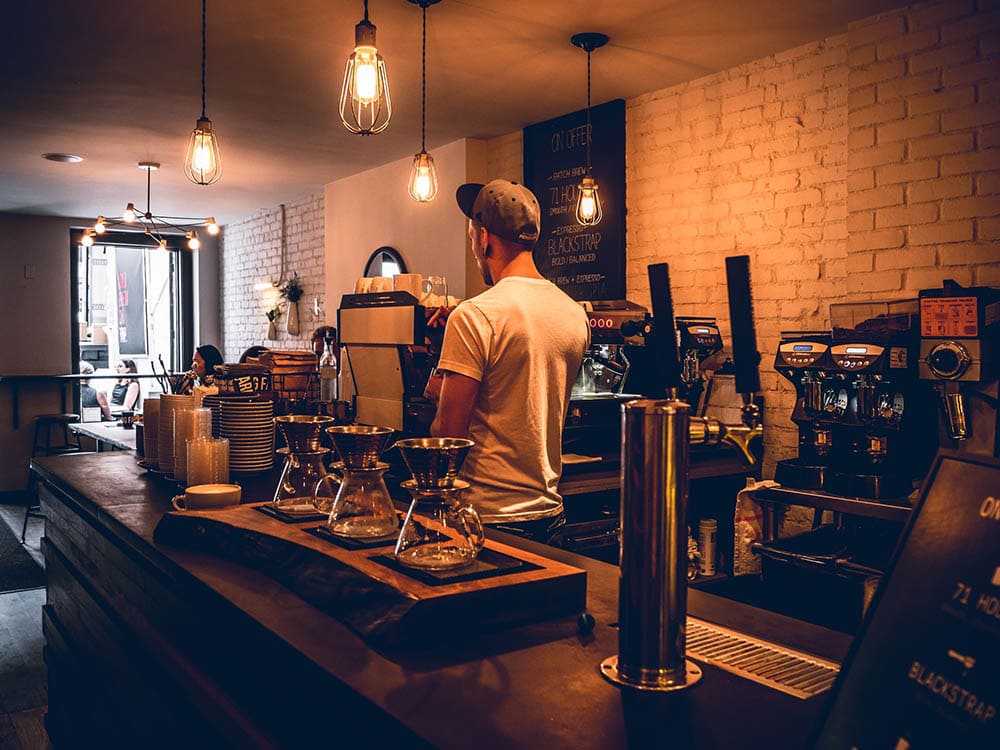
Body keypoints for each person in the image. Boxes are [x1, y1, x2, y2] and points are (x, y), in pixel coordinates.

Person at [427, 180, 590, 542]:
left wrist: (440, 381)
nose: (472, 246)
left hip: (485, 520)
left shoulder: (473, 317)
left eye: (471, 236)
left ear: (484, 238)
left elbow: (448, 439)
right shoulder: (574, 313)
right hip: (550, 516)